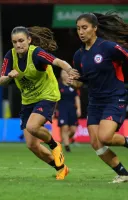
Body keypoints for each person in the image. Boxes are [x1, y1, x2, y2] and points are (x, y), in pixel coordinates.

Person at [0, 26, 79, 180]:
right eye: (15, 42)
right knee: (32, 145)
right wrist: (9, 76)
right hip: (28, 100)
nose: (18, 45)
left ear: (29, 40)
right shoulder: (10, 56)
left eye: (21, 40)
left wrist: (69, 70)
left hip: (47, 95)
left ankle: (54, 144)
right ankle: (61, 167)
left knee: (32, 126)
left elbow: (57, 61)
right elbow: (1, 81)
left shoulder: (36, 53)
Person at [72, 12, 128, 183]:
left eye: (85, 28)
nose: (81, 32)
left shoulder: (108, 47)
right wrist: (73, 81)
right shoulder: (78, 56)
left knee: (105, 137)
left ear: (95, 28)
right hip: (95, 102)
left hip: (114, 97)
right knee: (96, 143)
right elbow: (80, 83)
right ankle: (124, 174)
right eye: (78, 29)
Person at [57, 70, 81, 152]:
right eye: (63, 73)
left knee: (73, 130)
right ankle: (67, 147)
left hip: (72, 109)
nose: (65, 75)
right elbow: (55, 99)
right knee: (65, 127)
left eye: (66, 73)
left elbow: (76, 97)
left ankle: (64, 140)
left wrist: (78, 108)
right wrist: (53, 110)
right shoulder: (58, 86)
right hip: (62, 109)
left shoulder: (73, 85)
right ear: (61, 75)